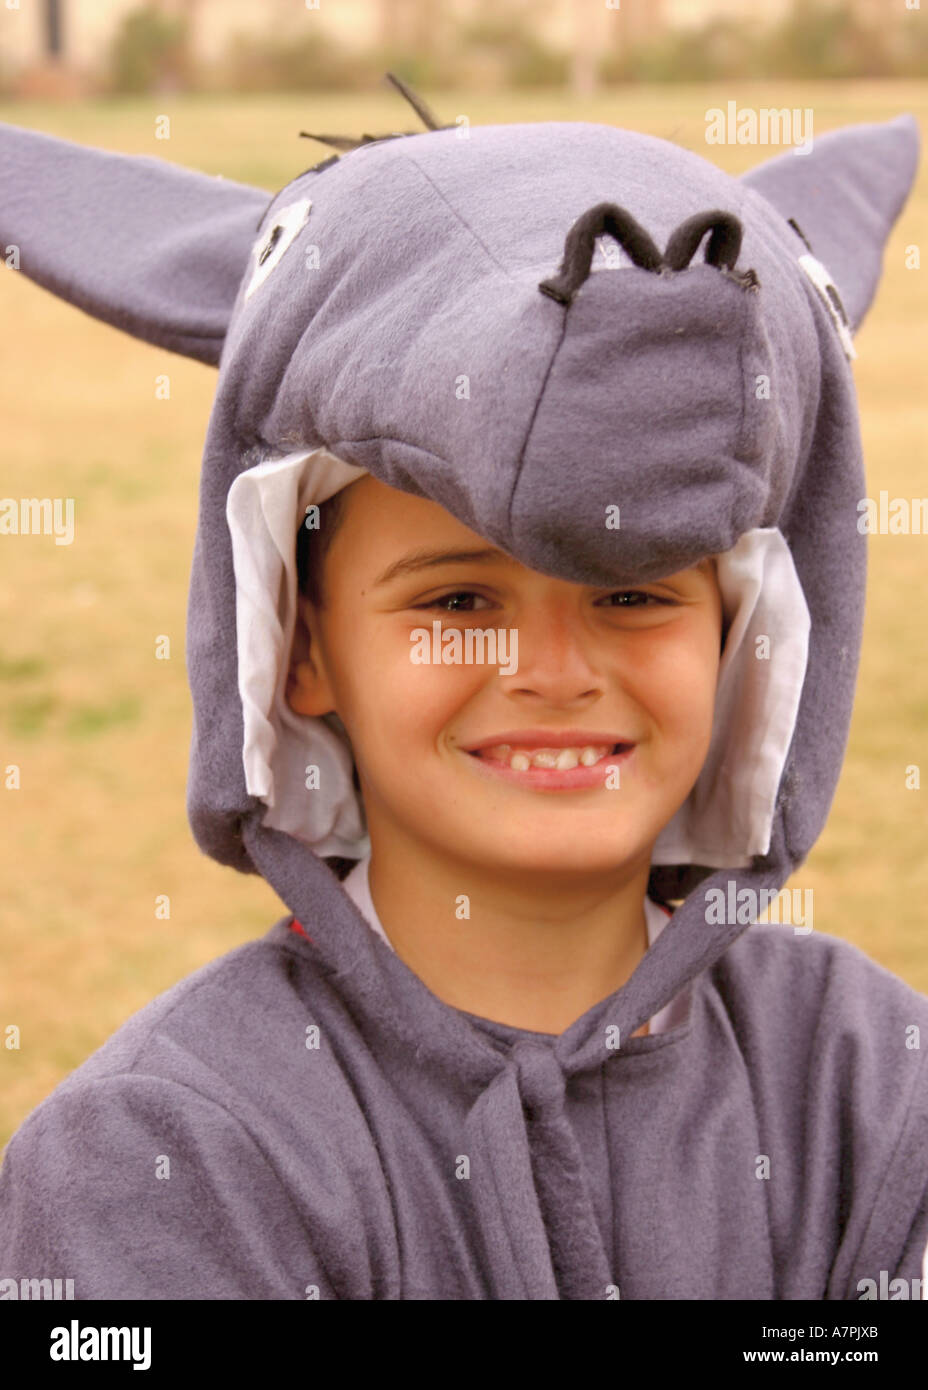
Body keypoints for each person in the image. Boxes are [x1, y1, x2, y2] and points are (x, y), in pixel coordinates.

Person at [1, 76, 926, 1300]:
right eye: (456, 602)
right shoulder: (162, 1156)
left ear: (738, 632)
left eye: (634, 592)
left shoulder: (874, 1091)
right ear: (302, 641)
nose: (551, 671)